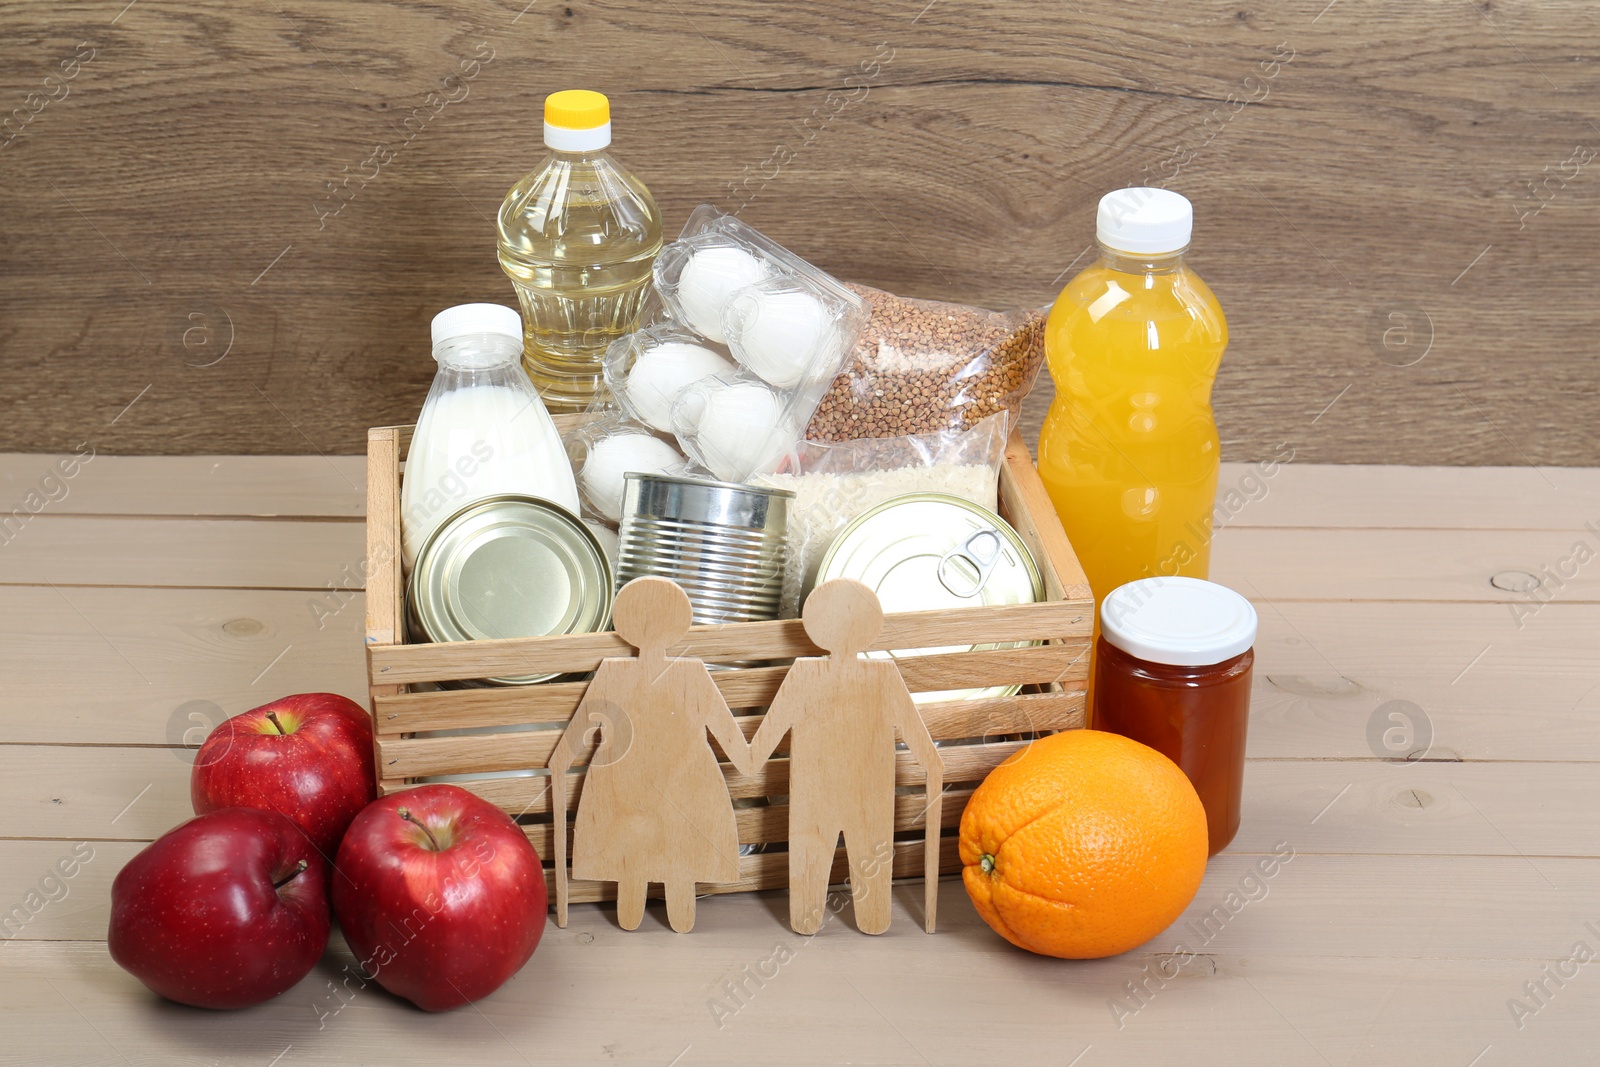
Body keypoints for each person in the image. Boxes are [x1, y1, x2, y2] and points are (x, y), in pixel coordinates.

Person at [547, 578, 755, 933]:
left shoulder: (621, 673)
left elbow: (576, 737)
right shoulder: (682, 673)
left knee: (641, 858)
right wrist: (752, 758)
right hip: (669, 783)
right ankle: (667, 914)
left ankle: (638, 913)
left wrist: (561, 759)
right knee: (669, 857)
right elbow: (732, 741)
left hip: (641, 783)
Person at [750, 579, 944, 935]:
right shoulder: (873, 676)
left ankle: (823, 918)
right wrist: (932, 764)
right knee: (854, 857)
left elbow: (763, 743)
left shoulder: (813, 674)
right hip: (846, 793)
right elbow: (921, 744)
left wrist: (746, 756)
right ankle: (853, 919)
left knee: (827, 856)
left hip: (841, 792)